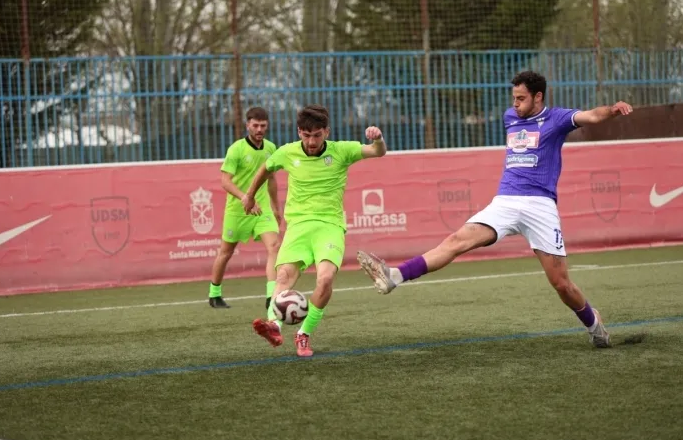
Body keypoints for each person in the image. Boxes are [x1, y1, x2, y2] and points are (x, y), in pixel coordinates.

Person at [357, 70, 634, 348]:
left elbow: (592, 116)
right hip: (505, 201)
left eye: (521, 98)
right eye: (514, 97)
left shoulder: (557, 118)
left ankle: (593, 324)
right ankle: (395, 276)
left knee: (561, 284)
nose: (515, 103)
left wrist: (612, 110)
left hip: (540, 205)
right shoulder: (510, 117)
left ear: (538, 97)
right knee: (456, 241)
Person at [241, 105, 387, 357]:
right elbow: (265, 168)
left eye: (317, 135)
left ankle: (304, 333)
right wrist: (250, 195)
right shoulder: (287, 152)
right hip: (298, 227)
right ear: (299, 132)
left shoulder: (342, 150)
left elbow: (377, 152)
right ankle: (274, 325)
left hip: (329, 227)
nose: (311, 141)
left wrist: (378, 138)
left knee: (325, 279)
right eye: (306, 135)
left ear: (326, 132)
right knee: (283, 276)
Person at [208, 106, 282, 309]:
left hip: (262, 209)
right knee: (226, 252)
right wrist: (245, 198)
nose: (259, 129)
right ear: (247, 125)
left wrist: (276, 208)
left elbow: (272, 179)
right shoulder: (236, 149)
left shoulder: (271, 148)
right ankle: (214, 294)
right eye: (255, 125)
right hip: (238, 210)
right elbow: (225, 181)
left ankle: (271, 297)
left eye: (263, 126)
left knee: (275, 247)